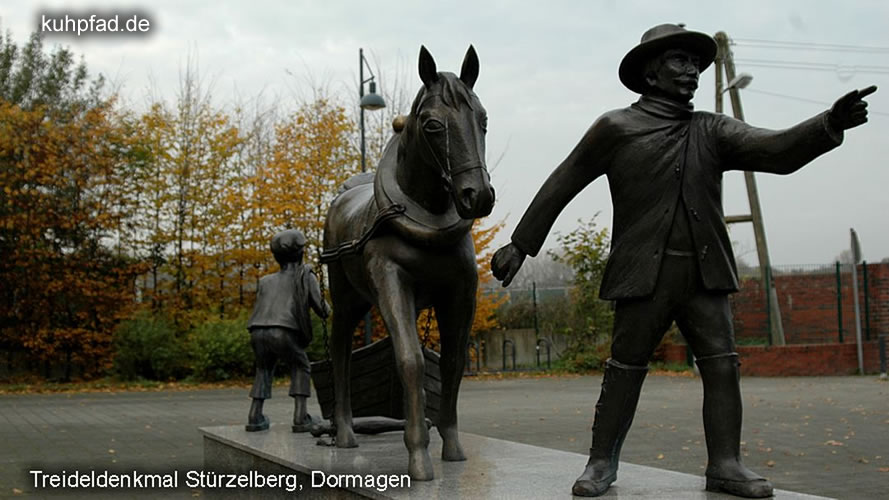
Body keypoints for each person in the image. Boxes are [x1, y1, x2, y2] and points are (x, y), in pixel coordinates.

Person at [491, 23, 875, 498]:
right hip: (643, 273)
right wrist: (521, 244)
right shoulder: (616, 128)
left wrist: (827, 124)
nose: (692, 71)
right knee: (625, 366)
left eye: (696, 64)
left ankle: (726, 464)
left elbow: (774, 149)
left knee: (721, 364)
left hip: (703, 272)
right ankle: (600, 463)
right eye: (681, 61)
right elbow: (563, 181)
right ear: (651, 74)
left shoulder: (712, 129)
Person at [246, 229, 330, 433]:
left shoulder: (265, 281)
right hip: (283, 331)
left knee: (263, 369)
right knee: (301, 366)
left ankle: (254, 416)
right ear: (301, 253)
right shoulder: (305, 276)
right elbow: (323, 310)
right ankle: (300, 417)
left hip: (257, 331)